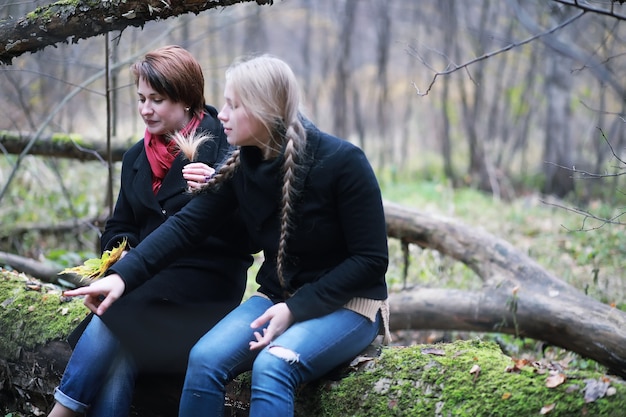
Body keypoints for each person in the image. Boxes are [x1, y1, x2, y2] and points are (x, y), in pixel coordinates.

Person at [63, 54, 391, 417]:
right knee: (203, 359)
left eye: (233, 105)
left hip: (349, 305)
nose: (221, 114)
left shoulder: (342, 162)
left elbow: (371, 261)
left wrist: (295, 310)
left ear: (264, 110)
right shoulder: (241, 163)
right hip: (276, 297)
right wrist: (121, 278)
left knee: (273, 365)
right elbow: (186, 227)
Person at [48, 45, 253, 417]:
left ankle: (62, 411)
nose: (145, 109)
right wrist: (121, 252)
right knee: (123, 342)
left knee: (116, 310)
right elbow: (118, 226)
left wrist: (217, 186)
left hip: (203, 286)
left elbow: (246, 231)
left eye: (157, 99)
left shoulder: (224, 145)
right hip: (142, 279)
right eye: (141, 98)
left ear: (187, 98)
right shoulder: (135, 158)